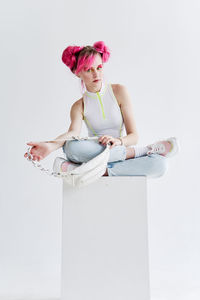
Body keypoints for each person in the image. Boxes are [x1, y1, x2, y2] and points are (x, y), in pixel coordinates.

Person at [24, 41, 179, 178]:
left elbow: (134, 136)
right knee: (71, 147)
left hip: (119, 147)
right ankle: (143, 151)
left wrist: (118, 141)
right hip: (95, 151)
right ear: (78, 73)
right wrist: (50, 146)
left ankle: (92, 170)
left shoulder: (119, 91)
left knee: (160, 165)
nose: (96, 74)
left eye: (99, 67)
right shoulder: (79, 106)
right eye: (88, 69)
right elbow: (72, 134)